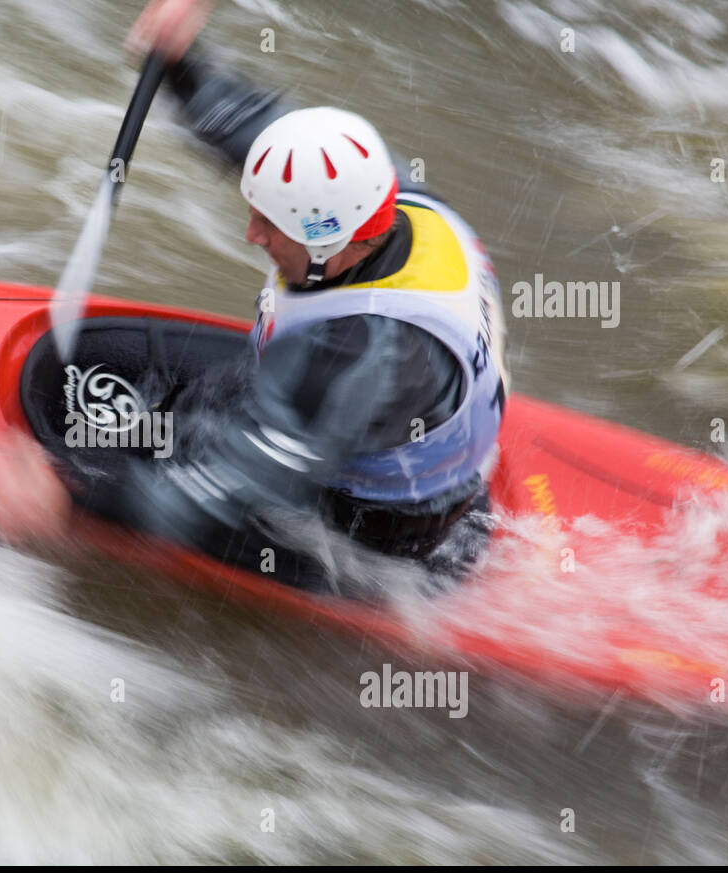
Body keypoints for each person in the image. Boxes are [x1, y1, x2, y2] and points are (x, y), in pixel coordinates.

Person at [107, 0, 510, 590]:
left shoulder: (357, 352)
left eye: (271, 225)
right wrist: (182, 67)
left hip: (378, 534)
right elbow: (257, 134)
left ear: (331, 243)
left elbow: (217, 494)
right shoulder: (391, 198)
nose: (252, 234)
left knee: (124, 479)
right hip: (370, 436)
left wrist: (62, 498)